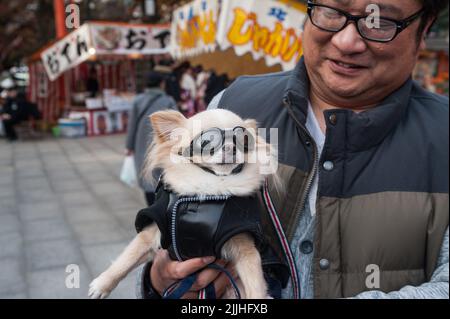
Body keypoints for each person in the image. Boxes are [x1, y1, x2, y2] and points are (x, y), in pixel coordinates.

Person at [138, 0, 449, 299]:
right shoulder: (231, 105)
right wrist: (162, 277)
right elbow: (171, 219)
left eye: (379, 21)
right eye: (330, 10)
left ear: (424, 29)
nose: (346, 41)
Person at [126, 70, 177, 206]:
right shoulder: (168, 101)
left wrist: (129, 146)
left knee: (146, 175)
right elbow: (178, 126)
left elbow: (132, 125)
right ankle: (162, 207)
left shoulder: (138, 100)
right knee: (162, 175)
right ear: (161, 84)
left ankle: (151, 208)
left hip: (140, 143)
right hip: (162, 145)